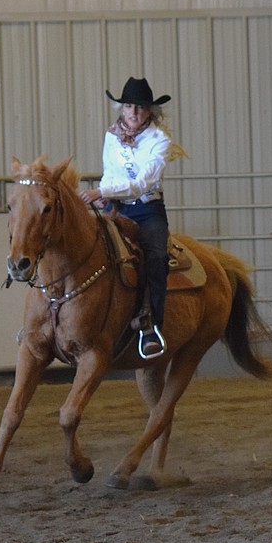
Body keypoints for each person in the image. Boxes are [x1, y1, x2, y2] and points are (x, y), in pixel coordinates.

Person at [79, 77, 187, 360]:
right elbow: (110, 171)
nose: (134, 112)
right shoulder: (111, 136)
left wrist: (101, 191)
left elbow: (143, 183)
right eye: (129, 106)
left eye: (140, 107)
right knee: (85, 247)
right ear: (122, 109)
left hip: (147, 210)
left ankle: (151, 327)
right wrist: (105, 194)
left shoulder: (159, 140)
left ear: (149, 111)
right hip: (117, 206)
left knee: (156, 258)